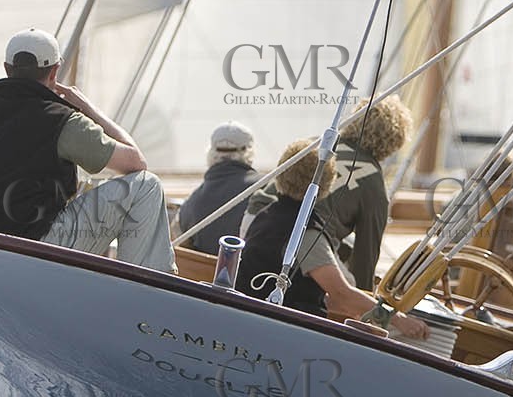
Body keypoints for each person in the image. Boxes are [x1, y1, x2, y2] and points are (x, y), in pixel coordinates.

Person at [0, 28, 174, 272]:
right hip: (39, 251)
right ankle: (146, 289)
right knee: (146, 184)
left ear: (6, 68)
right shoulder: (64, 120)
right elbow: (136, 163)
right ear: (55, 71)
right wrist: (89, 109)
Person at [238, 139, 428, 339]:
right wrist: (399, 319)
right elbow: (341, 294)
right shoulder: (306, 232)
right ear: (328, 183)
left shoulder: (265, 217)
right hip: (284, 333)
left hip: (253, 321)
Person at [243, 97, 413, 290]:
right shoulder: (374, 184)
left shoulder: (320, 144)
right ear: (394, 141)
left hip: (257, 221)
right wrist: (363, 298)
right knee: (348, 288)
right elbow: (366, 254)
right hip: (305, 238)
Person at [178, 122, 256, 254]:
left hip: (204, 273)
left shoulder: (191, 204)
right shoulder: (264, 188)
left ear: (211, 153)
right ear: (249, 152)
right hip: (250, 273)